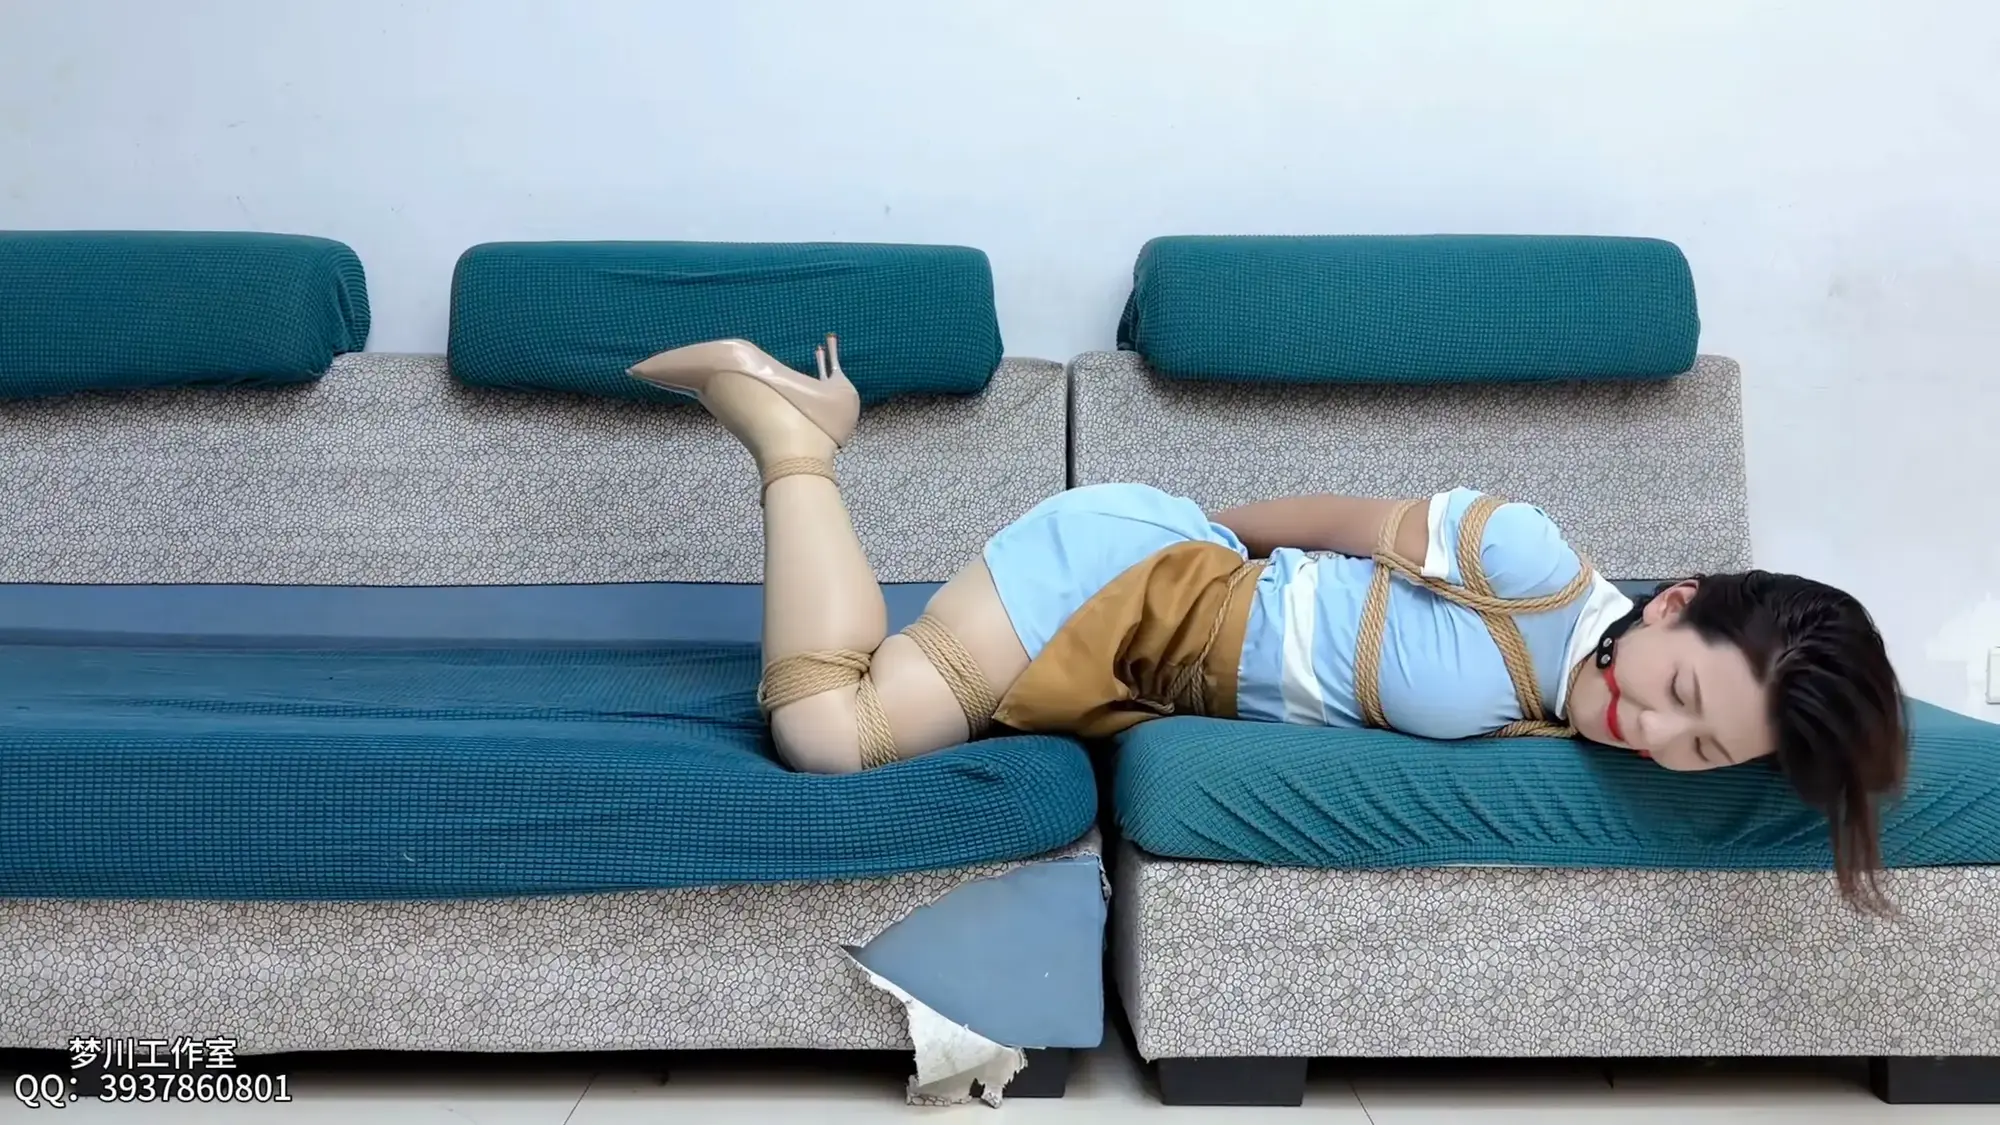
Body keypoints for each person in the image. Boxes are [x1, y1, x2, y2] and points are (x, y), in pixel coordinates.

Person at [627, 334, 1910, 911]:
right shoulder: (1528, 564)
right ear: (1672, 603)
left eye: (1698, 751)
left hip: (1147, 656)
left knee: (857, 695)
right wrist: (1193, 536)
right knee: (828, 736)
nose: (1651, 733)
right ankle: (794, 443)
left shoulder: (1566, 711)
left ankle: (809, 437)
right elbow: (1335, 523)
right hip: (1138, 586)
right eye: (1677, 695)